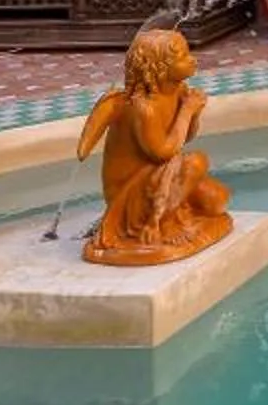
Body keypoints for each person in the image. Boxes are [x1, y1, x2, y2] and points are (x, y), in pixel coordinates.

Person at [75, 27, 234, 265]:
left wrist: (193, 114)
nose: (192, 60)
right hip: (130, 193)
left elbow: (185, 138)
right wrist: (187, 111)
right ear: (158, 68)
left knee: (217, 201)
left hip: (162, 179)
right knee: (197, 161)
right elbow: (163, 152)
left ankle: (175, 212)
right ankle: (162, 223)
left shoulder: (178, 90)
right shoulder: (143, 107)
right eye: (182, 56)